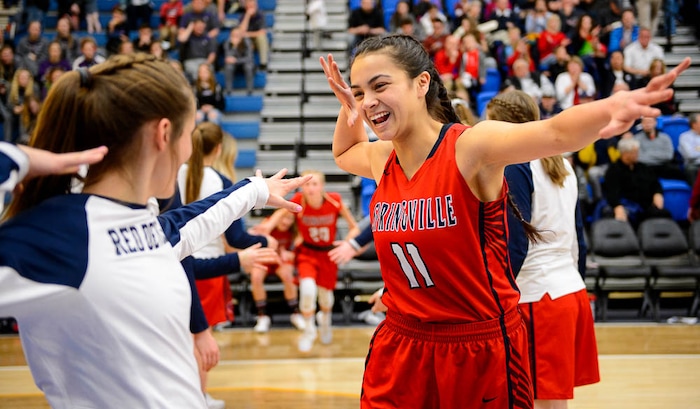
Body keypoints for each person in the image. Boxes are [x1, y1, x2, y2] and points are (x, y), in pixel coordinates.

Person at [320, 34, 689, 408]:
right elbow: (346, 150)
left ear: (422, 83)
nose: (370, 101)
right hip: (401, 343)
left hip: (476, 347)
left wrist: (613, 106)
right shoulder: (383, 159)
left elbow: (554, 132)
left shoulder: (470, 148)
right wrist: (348, 106)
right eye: (360, 91)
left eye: (380, 86)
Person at [0, 53, 310, 408]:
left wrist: (255, 191)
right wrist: (22, 160)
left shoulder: (141, 222)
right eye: (189, 133)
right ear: (164, 134)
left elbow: (190, 222)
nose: (189, 150)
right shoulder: (60, 236)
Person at [494, 90, 600, 409]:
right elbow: (578, 238)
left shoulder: (516, 165)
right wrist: (575, 281)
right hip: (569, 290)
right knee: (554, 401)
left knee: (538, 401)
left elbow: (517, 241)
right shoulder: (565, 166)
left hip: (537, 297)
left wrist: (496, 292)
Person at [256, 170, 359, 352]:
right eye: (306, 185)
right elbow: (281, 212)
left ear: (322, 186)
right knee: (308, 290)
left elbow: (354, 227)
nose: (310, 188)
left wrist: (348, 243)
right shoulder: (298, 200)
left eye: (314, 184)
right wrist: (268, 227)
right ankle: (309, 330)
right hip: (308, 254)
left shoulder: (334, 200)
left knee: (326, 298)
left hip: (328, 255)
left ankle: (325, 322)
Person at [602, 137, 672, 226]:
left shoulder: (642, 167)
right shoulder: (613, 171)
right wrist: (617, 206)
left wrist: (657, 194)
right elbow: (612, 193)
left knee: (664, 214)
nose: (637, 155)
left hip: (646, 206)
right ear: (625, 154)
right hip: (628, 206)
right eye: (634, 152)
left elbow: (655, 184)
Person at [221, 26, 256, 95]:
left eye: (238, 34)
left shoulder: (247, 42)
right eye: (233, 35)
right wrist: (234, 46)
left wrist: (236, 60)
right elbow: (228, 58)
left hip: (245, 63)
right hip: (234, 65)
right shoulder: (227, 43)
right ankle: (229, 90)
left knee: (248, 66)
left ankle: (250, 90)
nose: (236, 36)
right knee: (228, 67)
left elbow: (249, 58)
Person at [678, 113, 700, 186]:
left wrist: (697, 150)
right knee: (691, 170)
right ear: (694, 124)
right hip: (693, 164)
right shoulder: (685, 137)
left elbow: (694, 153)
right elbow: (690, 155)